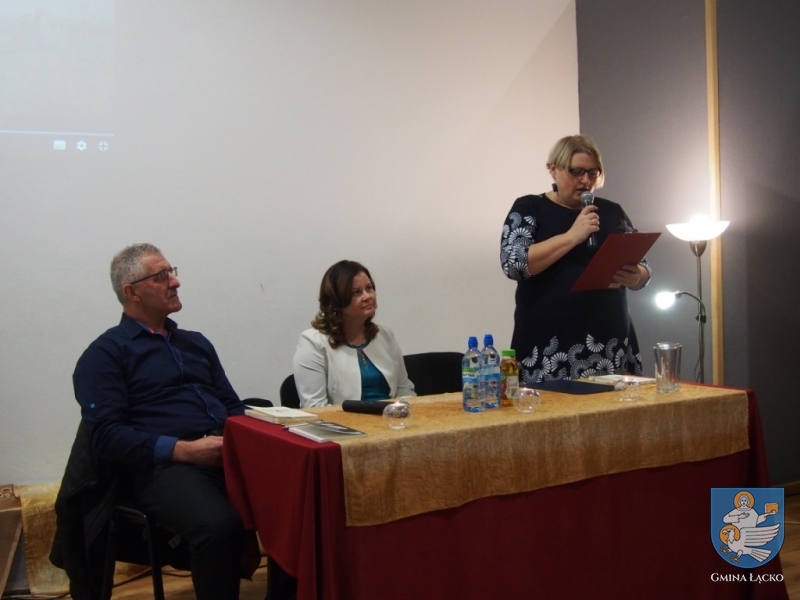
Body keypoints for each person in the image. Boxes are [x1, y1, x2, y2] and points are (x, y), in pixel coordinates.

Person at [68, 243, 248, 600]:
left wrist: (247, 440)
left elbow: (231, 405)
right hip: (166, 465)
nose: (175, 281)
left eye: (172, 272)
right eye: (161, 275)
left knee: (303, 502)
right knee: (219, 527)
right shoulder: (105, 354)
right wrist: (184, 451)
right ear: (131, 292)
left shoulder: (196, 344)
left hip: (226, 449)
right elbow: (106, 435)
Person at [500, 135, 651, 384]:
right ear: (553, 169)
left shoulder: (612, 211)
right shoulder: (530, 208)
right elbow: (513, 264)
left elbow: (643, 267)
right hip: (550, 345)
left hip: (610, 344)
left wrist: (638, 276)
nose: (585, 181)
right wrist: (572, 236)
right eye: (577, 172)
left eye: (593, 173)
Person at [293, 260, 416, 407]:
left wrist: (400, 413)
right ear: (336, 300)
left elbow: (405, 390)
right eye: (356, 292)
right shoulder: (312, 342)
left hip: (391, 417)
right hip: (341, 421)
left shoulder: (385, 335)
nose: (367, 296)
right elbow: (315, 407)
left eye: (369, 288)